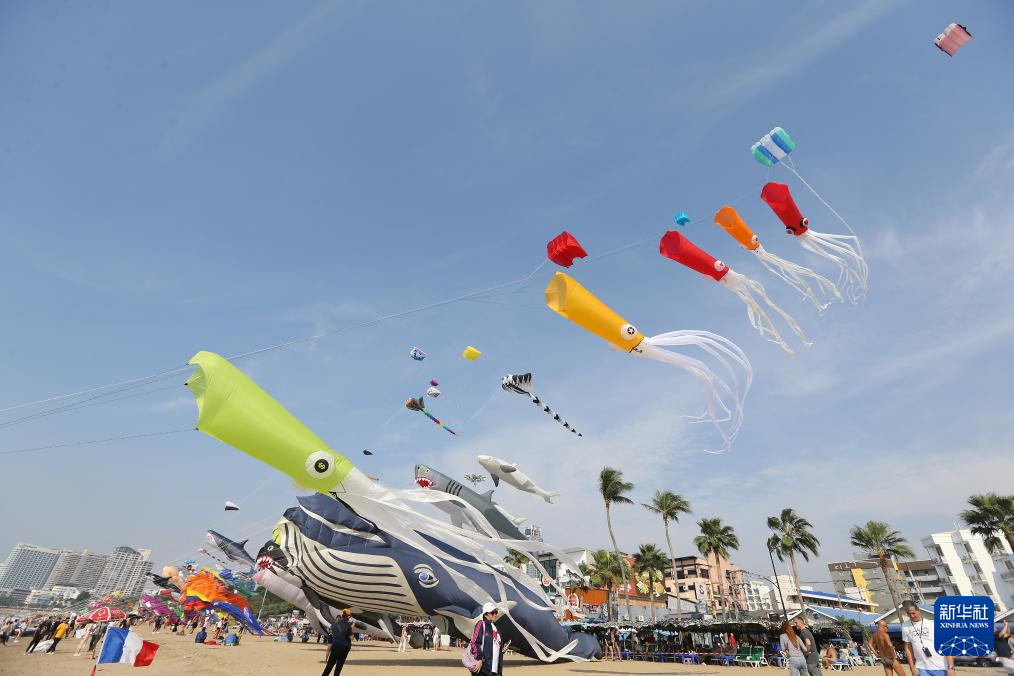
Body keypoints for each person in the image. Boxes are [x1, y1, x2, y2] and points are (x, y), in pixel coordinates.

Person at [901, 600, 953, 676]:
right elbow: (908, 648)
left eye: (913, 613)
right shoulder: (905, 626)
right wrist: (912, 668)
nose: (912, 616)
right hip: (922, 667)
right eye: (909, 614)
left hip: (941, 666)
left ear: (918, 610)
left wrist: (950, 667)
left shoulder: (932, 624)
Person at [469, 602, 506, 676]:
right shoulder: (481, 624)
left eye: (496, 612)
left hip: (495, 670)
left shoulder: (497, 628)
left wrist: (502, 649)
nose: (495, 614)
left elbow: (495, 646)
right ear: (486, 614)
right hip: (482, 669)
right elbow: (475, 642)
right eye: (492, 612)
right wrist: (479, 658)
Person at [321, 608, 355, 676]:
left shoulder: (334, 625)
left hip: (335, 646)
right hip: (344, 648)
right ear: (348, 617)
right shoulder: (348, 626)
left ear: (342, 616)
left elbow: (334, 633)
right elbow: (352, 638)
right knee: (338, 667)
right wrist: (352, 628)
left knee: (329, 666)